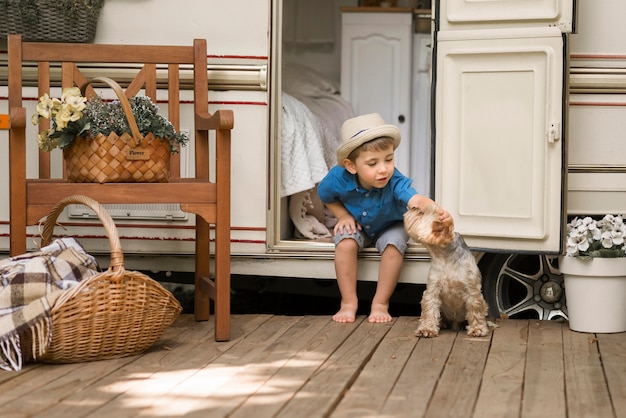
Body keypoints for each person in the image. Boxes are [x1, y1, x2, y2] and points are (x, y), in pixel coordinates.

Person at [317, 113, 450, 323]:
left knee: (393, 245)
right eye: (372, 163)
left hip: (391, 224)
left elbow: (415, 199)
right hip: (358, 223)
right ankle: (348, 303)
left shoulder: (394, 180)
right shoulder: (337, 178)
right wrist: (342, 215)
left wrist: (434, 209)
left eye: (389, 159)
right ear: (351, 166)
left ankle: (380, 303)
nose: (383, 169)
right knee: (344, 244)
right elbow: (325, 196)